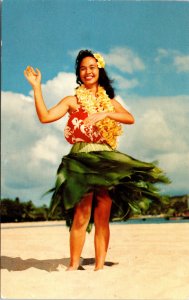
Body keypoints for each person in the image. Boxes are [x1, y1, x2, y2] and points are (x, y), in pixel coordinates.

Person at [24, 49, 169, 271]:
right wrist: (36, 88)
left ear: (99, 70)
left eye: (92, 67)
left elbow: (129, 118)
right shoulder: (72, 100)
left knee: (102, 214)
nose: (88, 71)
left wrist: (106, 113)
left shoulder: (108, 101)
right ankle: (74, 266)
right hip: (81, 160)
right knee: (81, 214)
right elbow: (45, 117)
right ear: (78, 74)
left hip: (105, 161)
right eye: (83, 68)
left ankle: (99, 267)